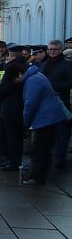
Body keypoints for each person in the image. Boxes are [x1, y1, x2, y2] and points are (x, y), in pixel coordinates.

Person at [12, 61, 69, 185]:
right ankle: (38, 175)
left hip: (45, 120)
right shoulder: (37, 75)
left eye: (15, 78)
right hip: (49, 117)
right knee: (43, 149)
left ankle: (37, 177)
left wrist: (25, 122)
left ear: (20, 74)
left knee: (40, 149)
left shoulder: (33, 81)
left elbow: (30, 104)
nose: (15, 82)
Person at [40, 39, 72, 168]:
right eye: (50, 50)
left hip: (60, 102)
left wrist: (52, 86)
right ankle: (48, 157)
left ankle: (60, 160)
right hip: (45, 104)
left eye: (55, 49)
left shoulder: (67, 64)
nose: (52, 52)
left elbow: (70, 82)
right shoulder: (45, 64)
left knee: (62, 133)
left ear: (60, 50)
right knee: (47, 134)